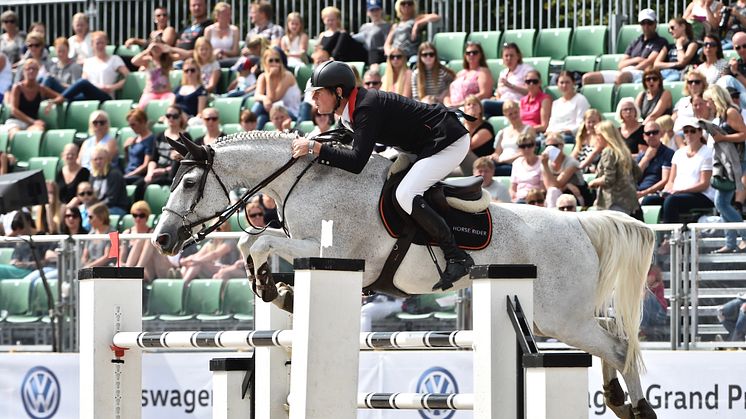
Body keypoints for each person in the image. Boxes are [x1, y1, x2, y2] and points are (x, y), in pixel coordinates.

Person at [292, 61, 473, 291]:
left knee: (405, 194)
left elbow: (357, 161)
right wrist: (313, 144)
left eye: (318, 93)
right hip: (421, 146)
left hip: (447, 140)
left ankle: (456, 257)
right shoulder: (350, 112)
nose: (313, 99)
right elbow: (345, 141)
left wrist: (314, 148)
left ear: (338, 92)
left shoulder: (366, 107)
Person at [703, 85, 746, 253]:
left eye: (708, 101)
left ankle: (742, 236)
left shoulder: (730, 112)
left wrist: (723, 137)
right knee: (723, 202)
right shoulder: (721, 115)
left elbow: (744, 134)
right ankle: (730, 243)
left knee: (721, 202)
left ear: (716, 99)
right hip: (726, 161)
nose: (707, 105)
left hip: (735, 160)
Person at [582, 9, 667, 85]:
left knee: (621, 77)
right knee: (588, 78)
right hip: (625, 71)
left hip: (643, 73)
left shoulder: (660, 42)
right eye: (643, 23)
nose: (646, 26)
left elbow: (649, 62)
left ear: (655, 24)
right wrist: (637, 59)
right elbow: (621, 64)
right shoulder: (635, 41)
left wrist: (632, 67)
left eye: (649, 23)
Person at [660, 117, 715, 223]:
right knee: (650, 200)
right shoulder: (678, 153)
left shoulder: (708, 153)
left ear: (700, 132)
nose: (689, 134)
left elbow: (704, 184)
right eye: (686, 131)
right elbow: (671, 181)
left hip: (702, 196)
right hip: (677, 194)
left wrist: (680, 191)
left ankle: (668, 236)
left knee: (671, 201)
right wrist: (667, 190)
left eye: (692, 131)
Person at [588, 120, 642, 216]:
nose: (596, 138)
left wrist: (594, 182)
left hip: (613, 202)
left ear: (604, 136)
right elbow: (637, 173)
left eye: (598, 135)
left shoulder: (608, 152)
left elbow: (609, 179)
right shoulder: (624, 151)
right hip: (629, 201)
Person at [2, 58, 64, 140]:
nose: (31, 71)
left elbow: (60, 97)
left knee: (38, 132)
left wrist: (52, 102)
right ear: (24, 71)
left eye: (34, 69)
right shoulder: (17, 87)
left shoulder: (41, 88)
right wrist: (32, 121)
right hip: (16, 122)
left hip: (31, 124)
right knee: (16, 136)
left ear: (38, 71)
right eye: (28, 69)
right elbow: (14, 110)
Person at [61, 31, 130, 102]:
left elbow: (128, 76)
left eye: (102, 43)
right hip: (90, 94)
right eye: (97, 43)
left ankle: (60, 98)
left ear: (106, 43)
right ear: (92, 44)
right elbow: (85, 79)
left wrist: (112, 87)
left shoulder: (115, 59)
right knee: (69, 98)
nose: (100, 46)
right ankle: (59, 98)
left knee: (82, 83)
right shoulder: (88, 62)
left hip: (106, 95)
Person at [122, 201, 173, 282]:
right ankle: (131, 271)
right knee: (141, 240)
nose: (138, 219)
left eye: (141, 216)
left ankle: (135, 271)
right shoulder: (127, 233)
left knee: (148, 239)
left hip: (149, 270)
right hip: (130, 267)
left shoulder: (152, 233)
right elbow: (122, 258)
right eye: (135, 215)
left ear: (147, 217)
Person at [251, 47, 301, 129]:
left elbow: (273, 98)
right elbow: (257, 95)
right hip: (274, 112)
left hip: (290, 112)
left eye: (277, 60)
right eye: (271, 60)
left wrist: (270, 78)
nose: (274, 63)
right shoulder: (263, 76)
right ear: (265, 63)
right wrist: (264, 99)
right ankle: (252, 137)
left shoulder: (287, 76)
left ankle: (247, 125)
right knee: (261, 117)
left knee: (260, 106)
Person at [540, 132, 593, 208]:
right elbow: (548, 187)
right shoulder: (546, 163)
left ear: (561, 146)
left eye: (554, 146)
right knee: (552, 192)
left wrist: (545, 166)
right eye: (547, 146)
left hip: (575, 196)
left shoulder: (571, 162)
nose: (551, 148)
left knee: (553, 191)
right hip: (558, 195)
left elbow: (557, 185)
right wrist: (566, 185)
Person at [483, 42, 533, 118]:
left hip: (517, 104)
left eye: (511, 56)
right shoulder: (503, 73)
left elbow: (531, 91)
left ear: (518, 56)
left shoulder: (526, 70)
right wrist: (495, 97)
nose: (509, 58)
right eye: (506, 56)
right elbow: (499, 94)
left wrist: (510, 85)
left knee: (484, 104)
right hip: (502, 104)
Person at [146, 105, 191, 187]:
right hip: (157, 172)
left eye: (175, 116)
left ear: (180, 118)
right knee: (139, 186)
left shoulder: (185, 137)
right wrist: (150, 173)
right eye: (168, 116)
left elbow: (188, 160)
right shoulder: (159, 136)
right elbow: (153, 159)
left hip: (173, 174)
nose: (171, 119)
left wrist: (164, 170)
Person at [636, 121, 675, 205]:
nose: (651, 136)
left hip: (655, 194)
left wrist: (644, 193)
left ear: (660, 134)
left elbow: (665, 180)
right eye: (648, 133)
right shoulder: (642, 155)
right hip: (638, 192)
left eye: (655, 132)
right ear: (644, 137)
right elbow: (634, 176)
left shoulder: (668, 153)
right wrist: (646, 159)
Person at [444, 42, 493, 107]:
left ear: (480, 55)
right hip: (452, 109)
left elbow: (485, 93)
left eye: (474, 53)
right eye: (468, 53)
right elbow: (448, 95)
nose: (471, 55)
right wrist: (448, 104)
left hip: (470, 108)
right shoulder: (460, 73)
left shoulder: (483, 72)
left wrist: (462, 104)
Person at [546, 71, 590, 143]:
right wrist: (549, 132)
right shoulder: (556, 103)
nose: (564, 85)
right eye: (562, 83)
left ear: (573, 83)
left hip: (570, 136)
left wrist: (569, 130)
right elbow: (551, 124)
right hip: (554, 135)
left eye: (567, 82)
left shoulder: (580, 100)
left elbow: (581, 124)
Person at [122, 109, 154, 202]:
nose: (132, 128)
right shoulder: (134, 139)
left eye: (133, 124)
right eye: (130, 125)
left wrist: (130, 174)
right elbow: (128, 161)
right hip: (129, 173)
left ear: (143, 122)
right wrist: (126, 149)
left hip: (138, 175)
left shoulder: (150, 140)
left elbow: (145, 165)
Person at [490, 100, 530, 176]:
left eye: (515, 112)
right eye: (510, 114)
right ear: (505, 115)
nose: (514, 116)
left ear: (519, 111)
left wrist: (504, 160)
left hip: (518, 163)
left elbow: (525, 152)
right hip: (501, 163)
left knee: (491, 171)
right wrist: (493, 157)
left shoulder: (528, 130)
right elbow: (497, 153)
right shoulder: (502, 132)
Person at [131, 42, 174, 110]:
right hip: (150, 93)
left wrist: (169, 49)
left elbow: (186, 55)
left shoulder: (167, 60)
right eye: (154, 48)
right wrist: (147, 50)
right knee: (140, 109)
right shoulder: (148, 60)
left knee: (172, 102)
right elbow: (134, 61)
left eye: (158, 48)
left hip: (166, 93)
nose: (156, 50)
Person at [89, 145, 130, 216]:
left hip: (116, 208)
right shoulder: (93, 176)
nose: (98, 162)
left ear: (107, 159)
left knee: (94, 215)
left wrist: (94, 207)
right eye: (95, 159)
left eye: (101, 159)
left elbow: (111, 200)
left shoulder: (114, 174)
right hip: (98, 207)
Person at [460, 95, 495, 175]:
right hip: (467, 166)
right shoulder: (461, 125)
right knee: (440, 173)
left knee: (463, 152)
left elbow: (468, 146)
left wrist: (467, 123)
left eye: (475, 104)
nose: (471, 106)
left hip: (482, 166)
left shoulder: (486, 127)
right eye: (468, 104)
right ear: (465, 109)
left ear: (480, 109)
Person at [353, 0, 391, 65]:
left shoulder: (387, 26)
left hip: (378, 53)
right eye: (372, 10)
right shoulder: (364, 26)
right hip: (364, 53)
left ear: (381, 10)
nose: (375, 12)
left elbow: (387, 44)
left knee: (373, 51)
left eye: (377, 10)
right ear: (368, 12)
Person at [509, 131, 542, 203]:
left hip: (535, 199)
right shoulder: (516, 163)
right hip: (519, 199)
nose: (526, 149)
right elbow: (512, 188)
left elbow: (543, 188)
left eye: (529, 145)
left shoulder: (542, 162)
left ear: (535, 146)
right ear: (519, 148)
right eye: (522, 146)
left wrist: (530, 196)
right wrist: (514, 196)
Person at [717, 31, 746, 109]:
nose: (742, 50)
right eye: (738, 48)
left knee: (728, 79)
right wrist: (728, 67)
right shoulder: (736, 63)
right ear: (734, 48)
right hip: (736, 101)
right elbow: (722, 83)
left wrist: (736, 73)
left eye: (745, 46)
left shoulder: (735, 69)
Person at [81, 202, 114, 268]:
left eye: (91, 217)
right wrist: (85, 266)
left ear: (101, 217)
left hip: (106, 271)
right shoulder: (91, 233)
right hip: (90, 270)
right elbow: (85, 256)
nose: (88, 220)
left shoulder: (112, 234)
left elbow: (107, 257)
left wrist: (90, 266)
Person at [519, 69, 552, 135]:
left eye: (535, 81)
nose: (531, 84)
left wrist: (527, 129)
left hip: (535, 133)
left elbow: (544, 126)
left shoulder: (545, 99)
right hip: (521, 132)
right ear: (525, 83)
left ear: (540, 83)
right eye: (528, 82)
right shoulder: (522, 100)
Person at [640, 264, 669, 340]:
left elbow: (649, 282)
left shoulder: (657, 285)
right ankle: (641, 327)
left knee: (647, 295)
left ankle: (642, 327)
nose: (647, 278)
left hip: (659, 313)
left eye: (648, 275)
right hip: (651, 314)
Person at [574, 109, 604, 173]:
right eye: (589, 122)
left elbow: (593, 154)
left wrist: (579, 167)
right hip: (579, 166)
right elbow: (574, 154)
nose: (591, 124)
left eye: (594, 122)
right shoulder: (581, 137)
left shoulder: (601, 138)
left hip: (591, 167)